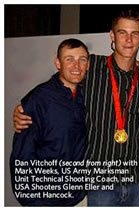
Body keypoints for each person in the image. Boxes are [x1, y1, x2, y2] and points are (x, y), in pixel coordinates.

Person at [12, 9, 139, 206]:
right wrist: (25, 108)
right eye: (122, 32)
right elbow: (59, 83)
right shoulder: (91, 66)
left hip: (135, 180)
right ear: (112, 35)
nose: (129, 39)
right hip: (99, 184)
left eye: (135, 33)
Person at [10, 38, 89, 206]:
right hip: (48, 200)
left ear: (88, 65)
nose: (77, 66)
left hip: (78, 196)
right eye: (69, 59)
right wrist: (33, 202)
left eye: (82, 59)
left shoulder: (84, 96)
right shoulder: (39, 99)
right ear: (58, 63)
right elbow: (22, 155)